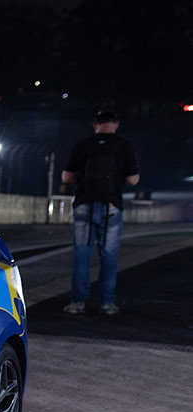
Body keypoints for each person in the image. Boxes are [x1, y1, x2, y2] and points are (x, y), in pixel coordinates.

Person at [61, 109, 140, 316]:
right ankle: (106, 303)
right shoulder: (123, 145)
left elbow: (66, 177)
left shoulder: (83, 145)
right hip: (111, 207)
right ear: (116, 124)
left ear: (95, 124)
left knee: (81, 257)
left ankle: (77, 302)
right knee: (109, 257)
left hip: (84, 205)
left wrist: (83, 181)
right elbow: (133, 179)